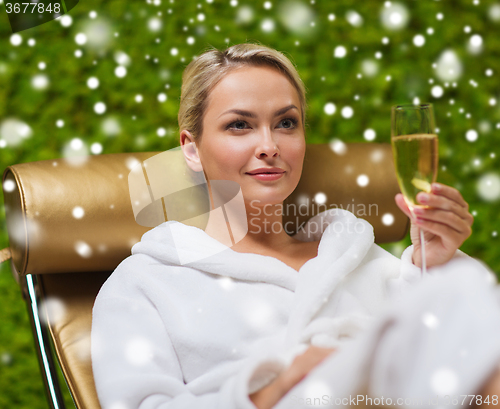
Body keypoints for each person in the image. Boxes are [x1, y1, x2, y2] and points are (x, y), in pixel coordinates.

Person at [91, 43, 500, 409]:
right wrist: (274, 388)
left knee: (462, 294)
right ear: (192, 149)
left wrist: (435, 263)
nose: (269, 145)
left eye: (286, 123)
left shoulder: (356, 258)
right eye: (240, 125)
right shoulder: (145, 285)